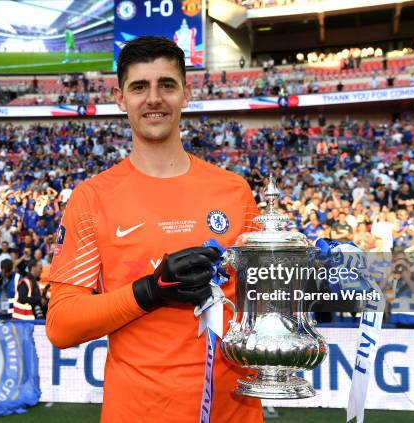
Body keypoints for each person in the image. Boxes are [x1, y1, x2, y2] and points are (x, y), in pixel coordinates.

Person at [46, 36, 263, 422]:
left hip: (234, 412)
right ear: (119, 97)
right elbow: (62, 326)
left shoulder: (235, 190)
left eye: (167, 85)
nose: (153, 99)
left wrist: (306, 281)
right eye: (139, 87)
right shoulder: (92, 198)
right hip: (138, 411)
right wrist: (150, 291)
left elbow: (260, 302)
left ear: (186, 93)